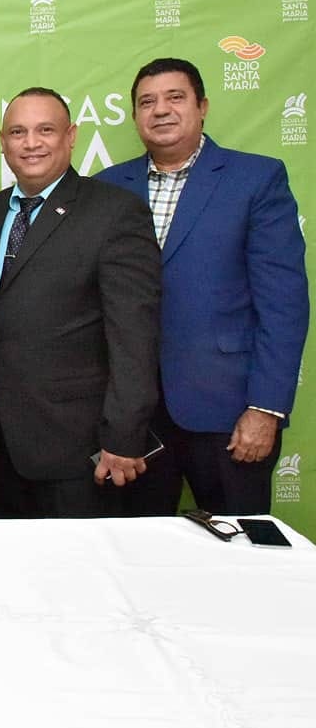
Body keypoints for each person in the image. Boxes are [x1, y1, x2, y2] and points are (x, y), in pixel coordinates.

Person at [98, 58, 309, 515]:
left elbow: (284, 306)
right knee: (138, 556)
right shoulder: (108, 187)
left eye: (175, 98)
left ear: (202, 106)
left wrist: (266, 409)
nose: (160, 111)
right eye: (146, 102)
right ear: (134, 116)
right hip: (135, 421)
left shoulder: (255, 180)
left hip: (228, 413)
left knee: (240, 553)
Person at [0, 87, 161, 518]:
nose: (31, 143)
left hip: (82, 447)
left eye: (46, 130)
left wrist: (123, 437)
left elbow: (134, 337)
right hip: (0, 440)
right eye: (18, 132)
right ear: (3, 143)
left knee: (82, 576)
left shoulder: (115, 212)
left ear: (71, 136)